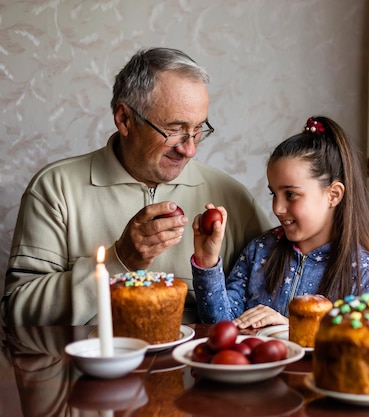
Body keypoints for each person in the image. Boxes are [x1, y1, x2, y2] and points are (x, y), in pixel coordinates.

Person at [2, 47, 272, 326]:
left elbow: (279, 297)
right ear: (124, 119)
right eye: (174, 130)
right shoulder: (54, 189)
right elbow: (17, 314)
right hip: (90, 369)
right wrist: (119, 260)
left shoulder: (232, 198)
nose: (190, 149)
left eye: (198, 129)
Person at [192, 116, 369, 328]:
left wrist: (290, 328)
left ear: (333, 195)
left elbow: (362, 345)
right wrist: (208, 263)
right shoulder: (259, 252)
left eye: (291, 194)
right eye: (274, 194)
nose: (277, 208)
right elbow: (221, 326)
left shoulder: (363, 269)